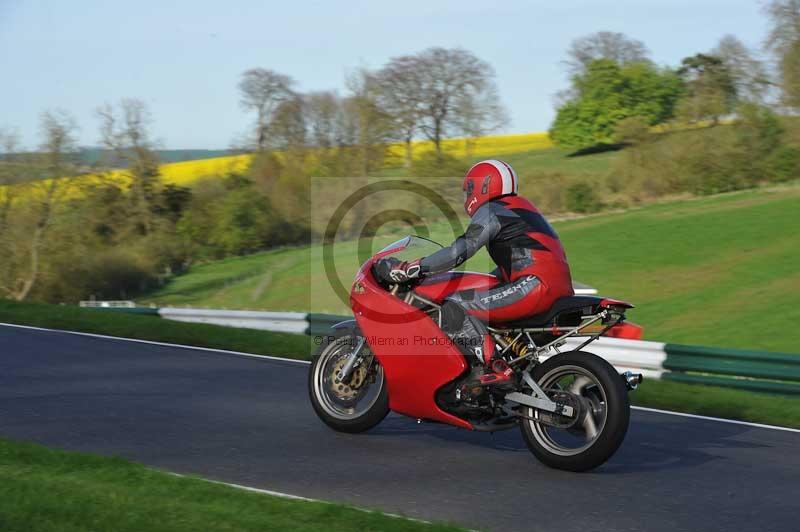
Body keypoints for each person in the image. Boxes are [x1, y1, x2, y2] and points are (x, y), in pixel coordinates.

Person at [375, 160, 574, 387]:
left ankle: (495, 367)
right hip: (556, 287)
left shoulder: (493, 210)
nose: (467, 197)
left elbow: (459, 251)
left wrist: (413, 267)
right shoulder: (522, 208)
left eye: (469, 190)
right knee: (482, 307)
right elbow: (520, 260)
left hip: (533, 286)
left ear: (484, 186)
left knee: (453, 306)